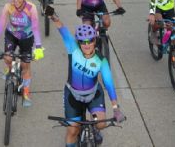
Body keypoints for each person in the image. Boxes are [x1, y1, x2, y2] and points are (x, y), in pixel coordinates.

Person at [48, 13, 125, 147]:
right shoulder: (73, 49)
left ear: (95, 40)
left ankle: (94, 128)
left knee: (101, 124)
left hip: (93, 94)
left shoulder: (101, 60)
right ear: (78, 42)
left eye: (90, 40)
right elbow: (63, 30)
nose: (87, 44)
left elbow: (109, 84)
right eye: (83, 41)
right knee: (72, 130)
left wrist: (116, 108)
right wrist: (54, 17)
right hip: (72, 94)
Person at [0, 0, 44, 107]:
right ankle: (9, 69)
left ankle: (26, 93)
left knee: (25, 65)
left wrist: (38, 47)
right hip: (11, 35)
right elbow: (1, 24)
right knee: (8, 57)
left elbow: (35, 28)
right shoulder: (8, 7)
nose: (16, 0)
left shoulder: (31, 8)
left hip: (26, 38)